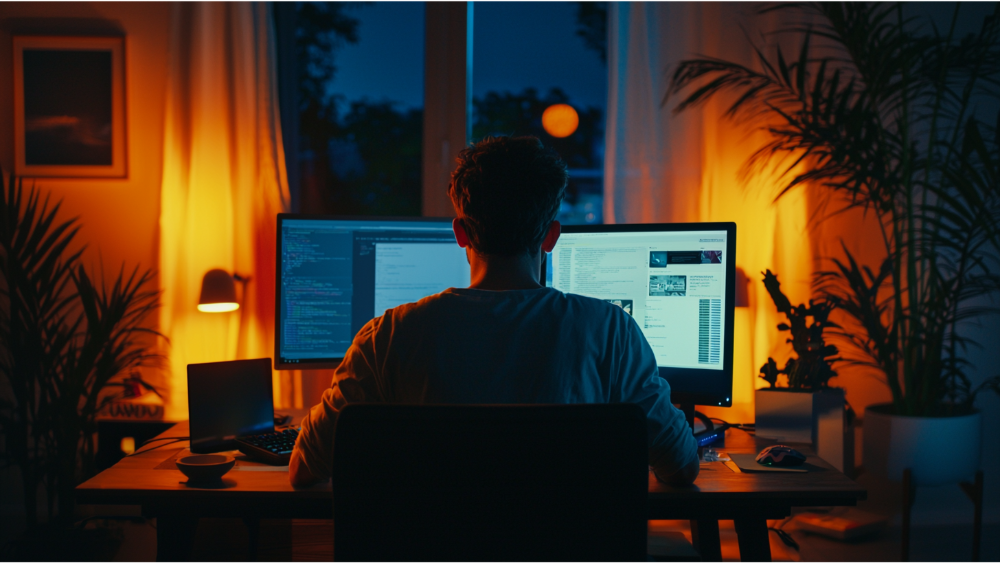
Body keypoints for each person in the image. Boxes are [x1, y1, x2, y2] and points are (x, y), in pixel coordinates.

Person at [289, 136, 699, 487]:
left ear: (460, 232)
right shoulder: (612, 332)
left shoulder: (387, 336)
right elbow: (681, 467)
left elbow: (304, 469)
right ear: (552, 236)